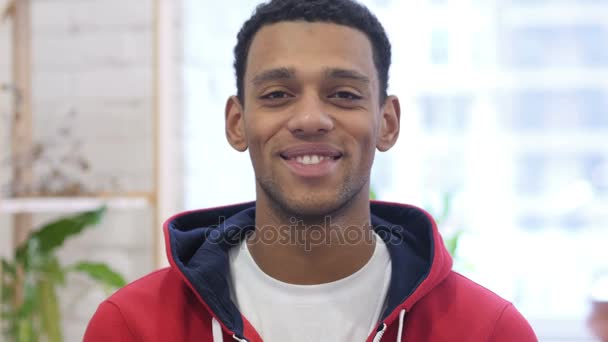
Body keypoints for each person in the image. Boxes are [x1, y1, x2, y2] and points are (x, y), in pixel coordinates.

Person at [84, 0, 537, 341]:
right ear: (237, 123)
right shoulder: (132, 326)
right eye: (278, 94)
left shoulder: (487, 330)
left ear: (387, 122)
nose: (310, 119)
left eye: (343, 94)